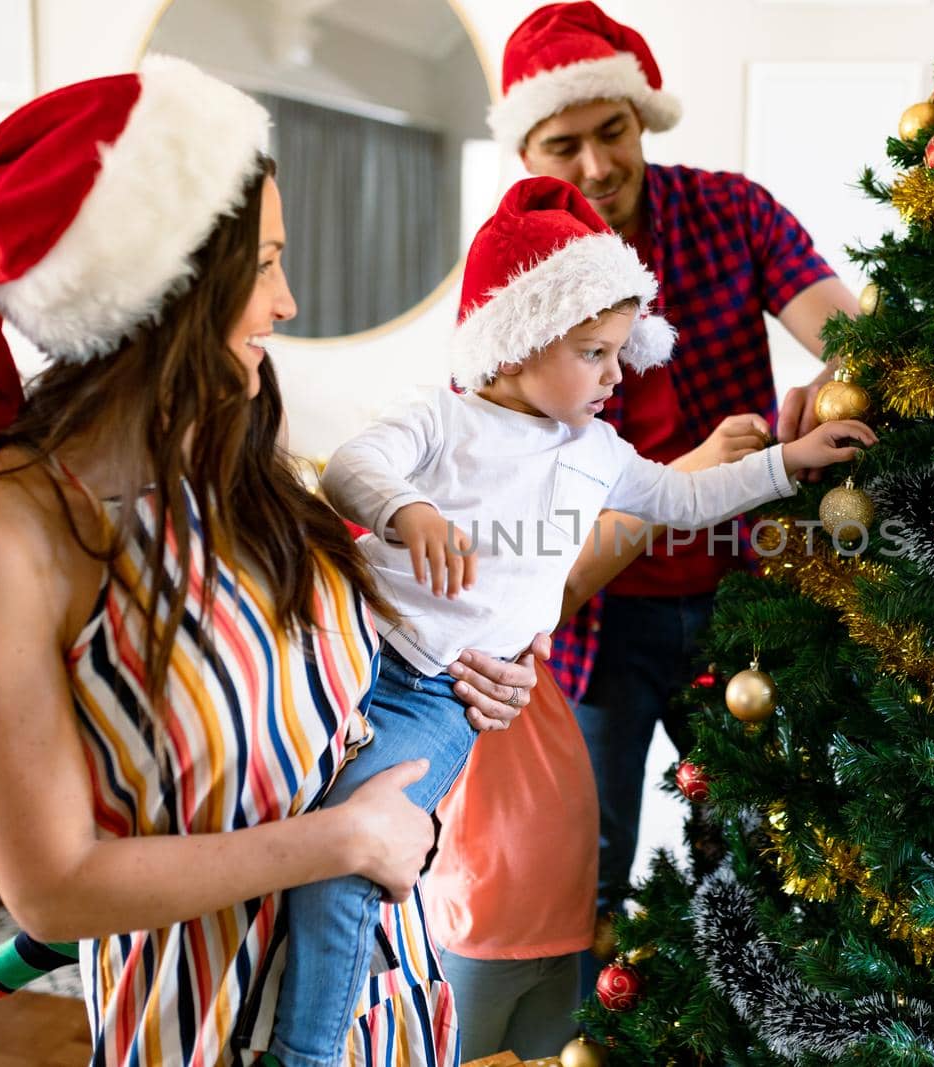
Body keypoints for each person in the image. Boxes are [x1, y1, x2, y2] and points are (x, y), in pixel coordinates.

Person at [0, 56, 542, 1067]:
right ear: (166, 281)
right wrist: (344, 842)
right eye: (264, 263)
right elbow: (50, 886)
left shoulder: (236, 454)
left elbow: (328, 716)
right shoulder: (0, 530)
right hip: (205, 1023)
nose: (288, 299)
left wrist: (466, 677)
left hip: (383, 991)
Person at [281, 173, 874, 1065]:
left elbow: (687, 495)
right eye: (594, 353)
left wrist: (789, 462)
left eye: (618, 350)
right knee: (277, 805)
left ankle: (310, 1051)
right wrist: (411, 512)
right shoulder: (441, 419)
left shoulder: (598, 451)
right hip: (353, 656)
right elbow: (354, 467)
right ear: (517, 341)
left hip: (435, 695)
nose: (616, 374)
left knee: (357, 848)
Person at [488, 0, 865, 971]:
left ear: (642, 118)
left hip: (744, 599)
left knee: (746, 846)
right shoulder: (515, 280)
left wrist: (846, 378)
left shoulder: (730, 212)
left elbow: (846, 330)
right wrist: (687, 472)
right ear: (525, 151)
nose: (596, 165)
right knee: (589, 865)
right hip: (595, 625)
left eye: (612, 131)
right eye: (562, 145)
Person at [423, 414, 773, 1060]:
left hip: (561, 928)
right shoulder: (447, 649)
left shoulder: (533, 620)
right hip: (477, 936)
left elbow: (574, 575)